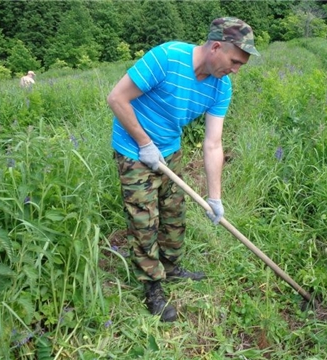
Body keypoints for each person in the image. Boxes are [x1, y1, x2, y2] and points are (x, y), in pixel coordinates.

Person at [107, 17, 260, 322]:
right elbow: (116, 98)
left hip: (169, 149)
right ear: (215, 46)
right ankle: (152, 287)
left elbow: (213, 143)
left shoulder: (220, 87)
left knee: (174, 212)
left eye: (241, 64)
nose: (236, 69)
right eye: (234, 61)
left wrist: (215, 198)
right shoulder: (166, 58)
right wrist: (144, 143)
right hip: (134, 149)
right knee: (144, 221)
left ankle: (172, 266)